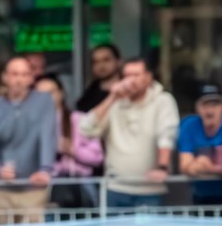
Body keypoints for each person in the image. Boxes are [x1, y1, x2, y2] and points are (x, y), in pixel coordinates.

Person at [80, 58, 179, 209]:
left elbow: (166, 134)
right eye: (127, 76)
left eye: (136, 75)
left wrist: (162, 167)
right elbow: (86, 129)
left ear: (148, 77)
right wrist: (112, 97)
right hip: (115, 188)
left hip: (150, 189)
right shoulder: (114, 103)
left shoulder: (163, 100)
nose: (131, 81)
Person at [0, 56, 54, 224]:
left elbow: (47, 136)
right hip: (3, 189)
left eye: (24, 74)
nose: (19, 79)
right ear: (4, 77)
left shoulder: (44, 102)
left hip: (34, 189)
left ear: (31, 78)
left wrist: (45, 169)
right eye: (14, 74)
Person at [177, 84, 222, 207]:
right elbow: (185, 166)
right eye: (205, 105)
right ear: (197, 108)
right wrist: (203, 165)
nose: (210, 111)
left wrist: (203, 164)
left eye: (215, 104)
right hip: (202, 196)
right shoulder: (188, 125)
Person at [38, 73, 103, 208]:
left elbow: (98, 157)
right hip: (48, 185)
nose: (46, 99)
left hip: (82, 182)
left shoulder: (80, 120)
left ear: (61, 94)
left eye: (50, 93)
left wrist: (73, 150)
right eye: (40, 95)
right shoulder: (33, 126)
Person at [75, 43, 122, 113]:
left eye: (106, 60)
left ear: (118, 62)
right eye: (96, 62)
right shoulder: (88, 96)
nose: (101, 65)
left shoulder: (128, 90)